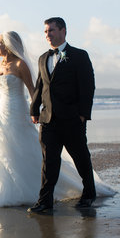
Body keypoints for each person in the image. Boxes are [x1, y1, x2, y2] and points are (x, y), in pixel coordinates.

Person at [0, 31, 114, 208]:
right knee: (9, 153)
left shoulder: (22, 64)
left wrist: (37, 110)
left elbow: (34, 89)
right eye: (45, 31)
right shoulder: (27, 60)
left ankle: (87, 190)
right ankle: (23, 193)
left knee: (74, 154)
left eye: (0, 43)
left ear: (9, 45)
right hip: (4, 114)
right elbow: (3, 93)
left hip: (24, 112)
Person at [28, 17, 100, 213]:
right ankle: (45, 201)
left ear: (63, 31)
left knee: (80, 157)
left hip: (72, 118)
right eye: (45, 31)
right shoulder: (43, 58)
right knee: (49, 161)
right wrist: (34, 110)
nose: (47, 35)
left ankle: (89, 194)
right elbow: (39, 86)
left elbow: (88, 87)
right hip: (48, 119)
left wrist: (83, 115)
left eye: (51, 30)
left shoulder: (79, 55)